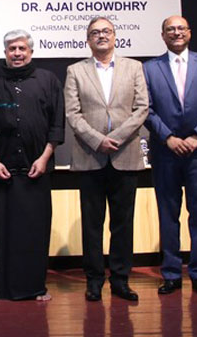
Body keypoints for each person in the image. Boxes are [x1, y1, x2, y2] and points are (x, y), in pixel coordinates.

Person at [64, 16, 149, 301]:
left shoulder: (134, 67)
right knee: (92, 223)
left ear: (115, 36)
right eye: (95, 33)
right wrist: (97, 140)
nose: (101, 36)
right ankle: (94, 280)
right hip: (90, 156)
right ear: (88, 40)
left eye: (106, 31)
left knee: (123, 223)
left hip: (125, 155)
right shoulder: (75, 71)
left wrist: (117, 138)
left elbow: (142, 108)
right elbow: (73, 113)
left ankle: (121, 279)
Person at [0, 30, 64, 301]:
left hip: (36, 170)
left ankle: (35, 287)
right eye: (12, 49)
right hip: (1, 172)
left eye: (22, 48)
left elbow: (57, 125)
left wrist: (44, 157)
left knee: (33, 233)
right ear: (5, 52)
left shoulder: (48, 81)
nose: (17, 53)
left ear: (31, 52)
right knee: (1, 234)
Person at [143, 15, 197, 296]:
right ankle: (171, 274)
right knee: (168, 214)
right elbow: (146, 108)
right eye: (170, 29)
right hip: (165, 152)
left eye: (181, 28)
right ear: (163, 35)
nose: (176, 32)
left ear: (189, 33)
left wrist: (196, 136)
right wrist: (168, 137)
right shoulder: (149, 68)